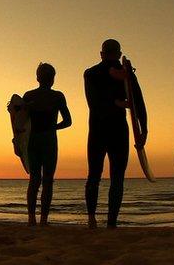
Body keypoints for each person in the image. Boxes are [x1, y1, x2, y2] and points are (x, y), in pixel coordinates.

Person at [84, 39, 146, 229]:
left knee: (94, 175)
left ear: (101, 54)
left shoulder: (90, 73)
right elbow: (139, 103)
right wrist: (144, 130)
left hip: (97, 130)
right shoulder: (127, 74)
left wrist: (115, 103)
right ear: (119, 54)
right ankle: (111, 222)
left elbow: (93, 103)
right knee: (117, 177)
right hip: (118, 130)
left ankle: (92, 218)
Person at [23, 63, 72, 226]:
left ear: (37, 78)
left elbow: (19, 122)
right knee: (48, 180)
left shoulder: (28, 95)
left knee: (34, 179)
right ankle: (43, 219)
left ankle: (31, 218)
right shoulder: (58, 96)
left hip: (32, 140)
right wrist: (54, 126)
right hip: (49, 140)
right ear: (53, 79)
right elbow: (68, 121)